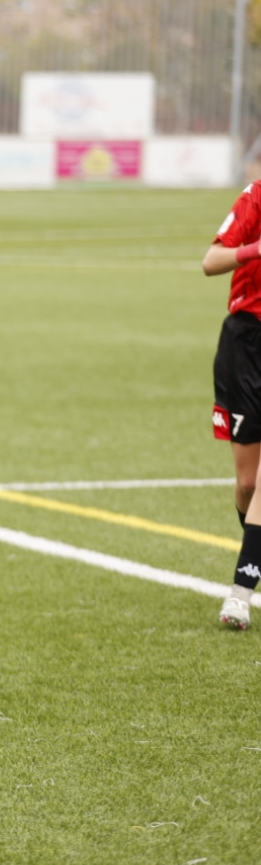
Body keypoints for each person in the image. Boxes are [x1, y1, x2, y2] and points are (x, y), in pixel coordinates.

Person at [201, 179, 261, 631]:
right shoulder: (255, 196)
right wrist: (255, 249)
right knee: (247, 484)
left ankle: (240, 592)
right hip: (246, 345)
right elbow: (211, 261)